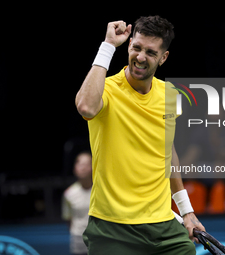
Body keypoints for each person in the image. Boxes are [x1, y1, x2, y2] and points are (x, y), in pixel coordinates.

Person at [75, 16, 205, 255]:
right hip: (111, 227)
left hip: (163, 226)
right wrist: (107, 46)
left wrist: (187, 212)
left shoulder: (170, 96)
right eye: (136, 48)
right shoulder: (107, 90)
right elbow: (85, 107)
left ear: (163, 58)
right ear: (129, 45)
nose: (141, 57)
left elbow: (167, 153)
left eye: (151, 52)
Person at [62, 152, 93, 255]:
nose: (82, 168)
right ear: (75, 169)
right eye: (79, 164)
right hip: (78, 240)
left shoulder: (100, 191)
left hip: (99, 239)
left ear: (93, 167)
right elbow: (68, 218)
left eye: (86, 164)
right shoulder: (69, 193)